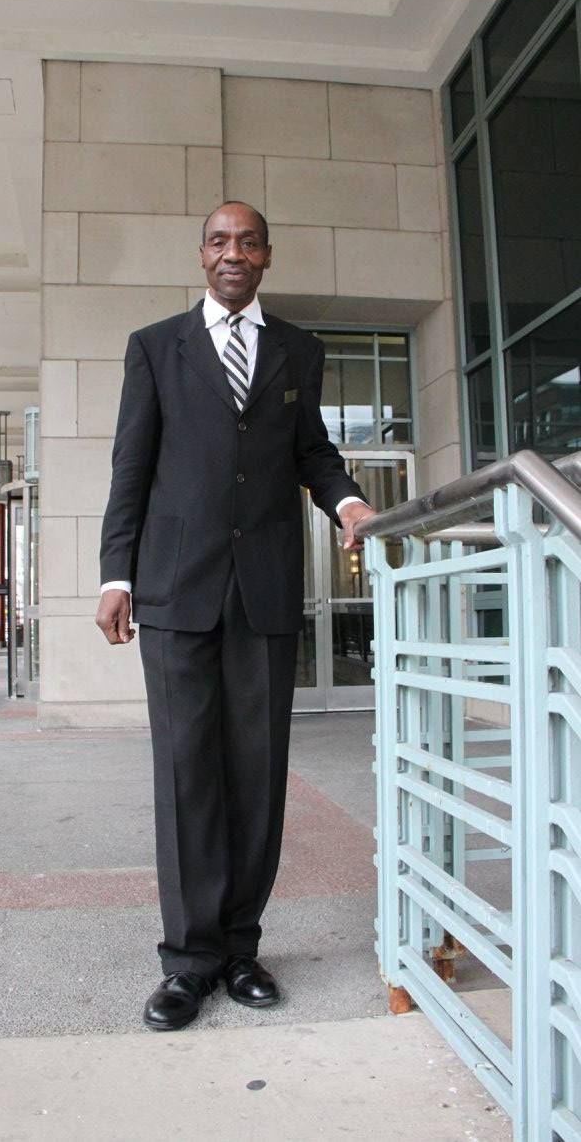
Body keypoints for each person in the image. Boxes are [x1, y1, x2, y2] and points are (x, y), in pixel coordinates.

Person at [96, 201, 373, 1031]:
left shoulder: (298, 349)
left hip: (263, 588)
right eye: (220, 241)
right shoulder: (155, 347)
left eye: (248, 242)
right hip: (176, 589)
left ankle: (242, 947)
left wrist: (350, 503)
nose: (233, 253)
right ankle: (189, 961)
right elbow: (131, 467)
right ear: (202, 254)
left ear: (266, 257)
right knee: (187, 776)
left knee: (255, 774)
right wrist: (116, 575)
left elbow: (310, 452)